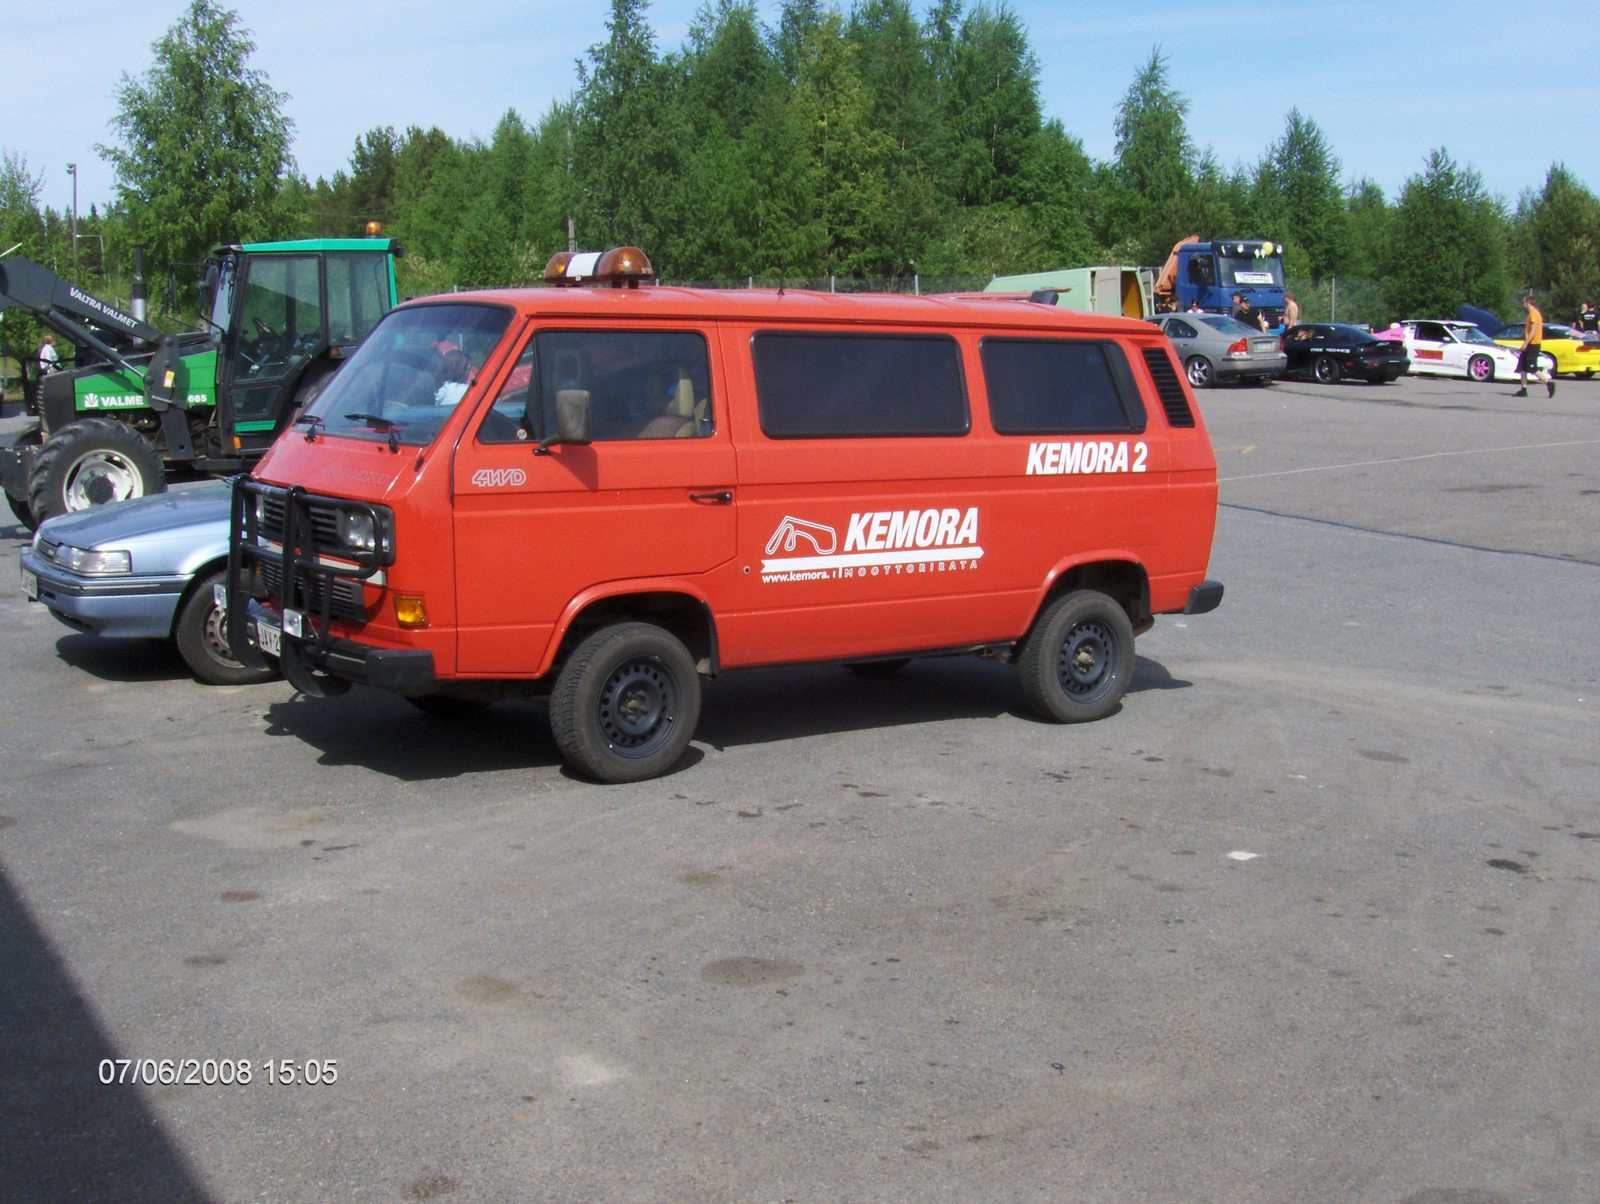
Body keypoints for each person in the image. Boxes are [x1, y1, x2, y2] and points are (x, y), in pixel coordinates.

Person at [1513, 293, 1554, 398]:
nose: (1523, 304)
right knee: (1522, 367)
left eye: (1523, 302)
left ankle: (1548, 383)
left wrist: (1525, 343)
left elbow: (1533, 331)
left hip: (1533, 344)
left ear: (1528, 303)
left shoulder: (1534, 314)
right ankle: (1523, 389)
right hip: (1529, 344)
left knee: (1532, 368)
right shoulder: (1531, 314)